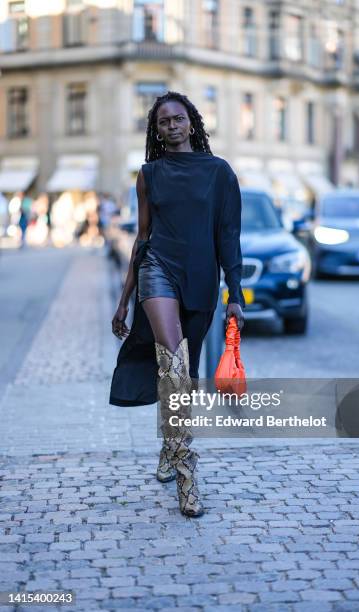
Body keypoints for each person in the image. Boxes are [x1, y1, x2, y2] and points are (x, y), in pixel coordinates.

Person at [109, 91, 246, 518]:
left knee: (184, 377)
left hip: (201, 280)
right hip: (158, 270)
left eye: (177, 119)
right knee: (173, 363)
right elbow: (142, 237)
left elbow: (228, 238)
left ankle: (170, 447)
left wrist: (235, 295)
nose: (171, 126)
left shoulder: (219, 173)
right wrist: (124, 298)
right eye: (163, 121)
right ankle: (188, 479)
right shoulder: (149, 174)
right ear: (157, 129)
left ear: (192, 123)